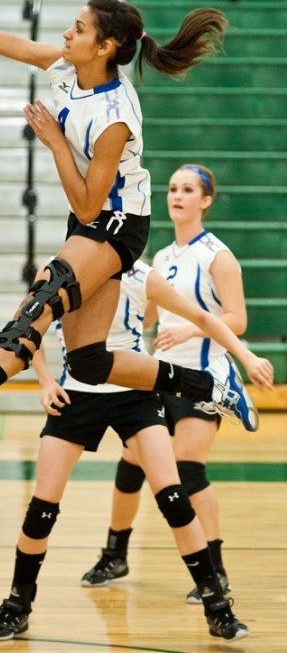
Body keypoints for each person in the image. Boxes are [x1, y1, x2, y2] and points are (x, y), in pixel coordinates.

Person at [0, 0, 272, 442]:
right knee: (89, 363)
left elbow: (87, 201)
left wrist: (56, 143)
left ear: (105, 46)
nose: (66, 35)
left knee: (38, 303)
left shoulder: (114, 117)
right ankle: (211, 386)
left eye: (78, 29)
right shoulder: (64, 68)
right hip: (89, 220)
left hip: (117, 222)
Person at [0, 256, 266, 642]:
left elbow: (204, 318)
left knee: (173, 498)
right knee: (41, 507)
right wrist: (46, 381)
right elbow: (25, 327)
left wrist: (247, 358)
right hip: (77, 396)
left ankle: (218, 610)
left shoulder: (140, 273)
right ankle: (16, 608)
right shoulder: (62, 268)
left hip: (134, 392)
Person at [82, 164, 252, 603]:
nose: (177, 196)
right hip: (161, 377)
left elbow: (237, 318)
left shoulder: (218, 256)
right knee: (130, 462)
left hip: (203, 378)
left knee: (187, 469)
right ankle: (115, 554)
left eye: (188, 190)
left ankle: (216, 571)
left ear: (206, 200)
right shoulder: (161, 258)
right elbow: (151, 311)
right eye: (173, 189)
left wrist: (192, 331)